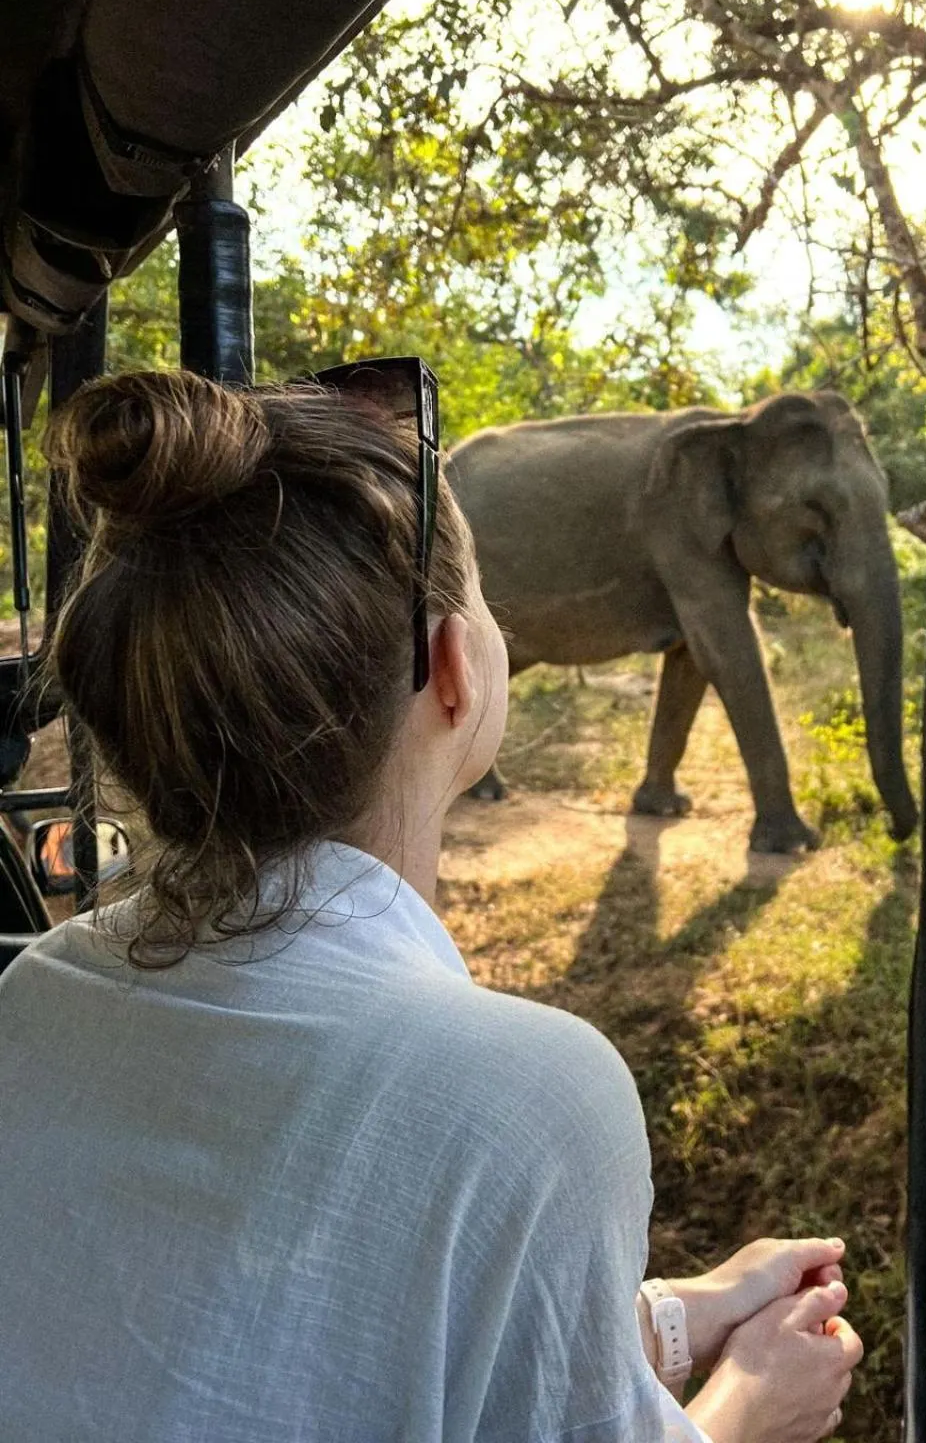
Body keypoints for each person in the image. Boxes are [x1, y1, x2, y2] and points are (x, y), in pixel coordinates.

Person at [0, 366, 863, 1442]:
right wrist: (748, 1406)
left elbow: (296, 1348)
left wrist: (690, 1313)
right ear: (456, 670)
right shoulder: (529, 1093)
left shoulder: (34, 992)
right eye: (487, 600)